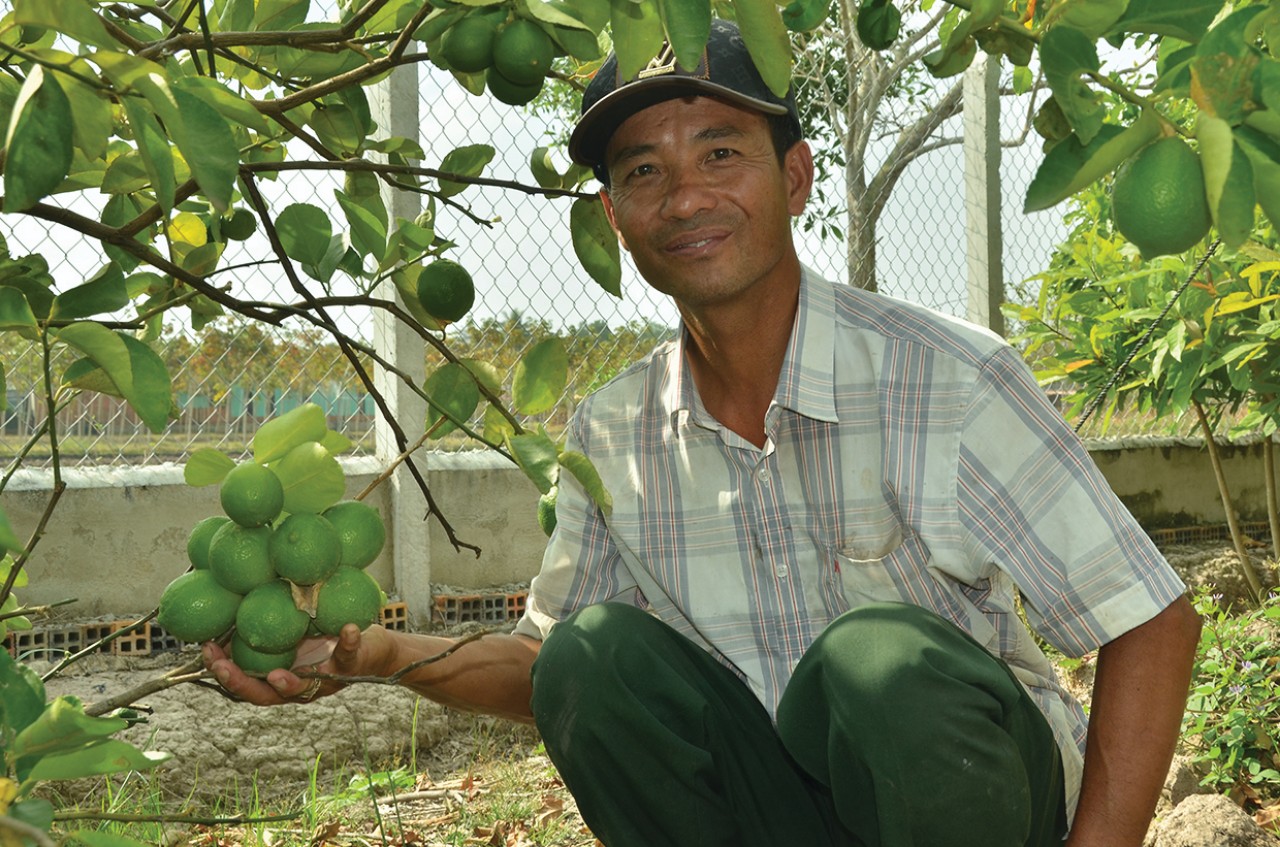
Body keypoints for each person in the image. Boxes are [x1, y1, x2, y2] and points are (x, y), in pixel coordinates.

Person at [206, 19, 1202, 847]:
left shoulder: (943, 377)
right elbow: (548, 667)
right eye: (643, 171)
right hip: (776, 816)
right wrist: (367, 657)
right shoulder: (612, 434)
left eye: (719, 152)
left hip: (973, 808)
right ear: (614, 218)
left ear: (796, 175)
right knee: (594, 653)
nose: (684, 196)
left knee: (880, 667)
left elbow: (1148, 619)